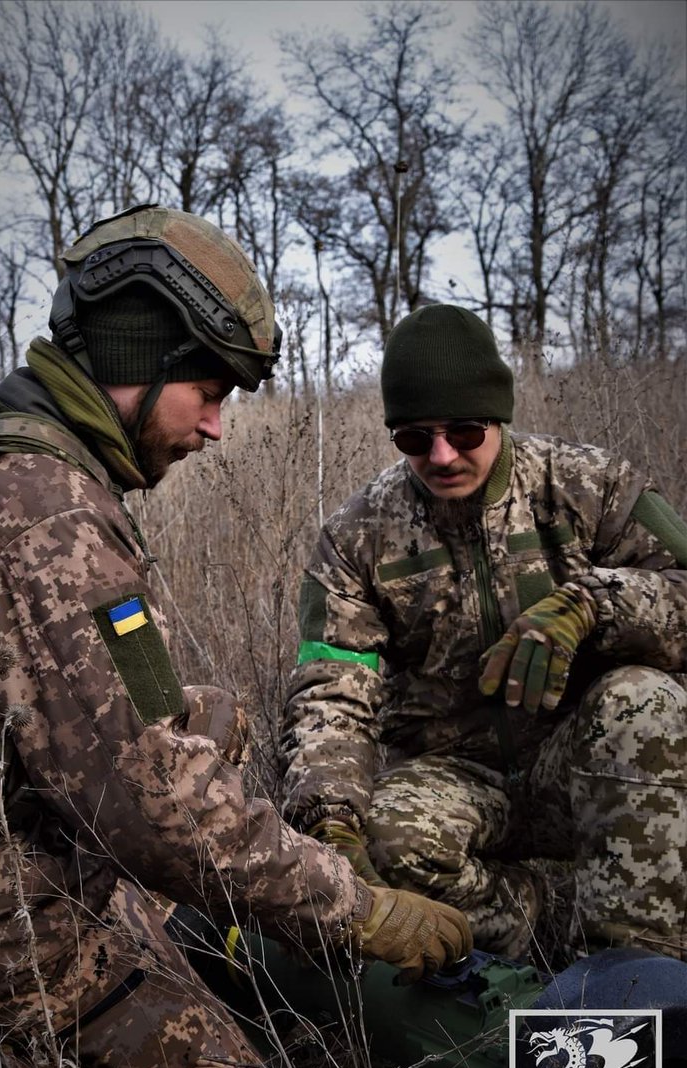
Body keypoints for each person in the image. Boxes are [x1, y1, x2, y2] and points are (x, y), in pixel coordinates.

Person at [0, 209, 471, 1068]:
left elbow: (88, 720)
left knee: (211, 743)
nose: (215, 425)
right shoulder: (46, 514)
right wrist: (362, 910)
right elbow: (161, 811)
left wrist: (211, 733)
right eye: (206, 389)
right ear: (136, 361)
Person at [280, 304, 687, 964]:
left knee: (643, 702)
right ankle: (520, 941)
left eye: (465, 431)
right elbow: (331, 692)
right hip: (457, 776)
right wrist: (332, 820)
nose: (442, 456)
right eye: (415, 439)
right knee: (387, 837)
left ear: (498, 416)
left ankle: (633, 974)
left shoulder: (590, 485)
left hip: (580, 764)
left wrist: (594, 606)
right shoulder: (358, 536)